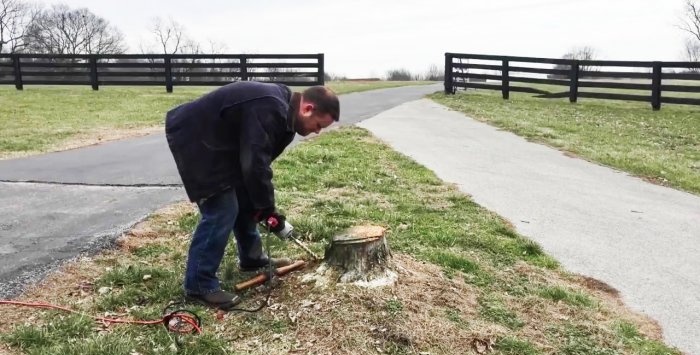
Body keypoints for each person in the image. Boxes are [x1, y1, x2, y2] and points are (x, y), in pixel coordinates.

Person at [165, 81, 340, 310]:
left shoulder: (286, 117)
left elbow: (257, 168)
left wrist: (262, 207)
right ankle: (199, 283)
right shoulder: (271, 108)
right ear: (307, 109)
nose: (316, 131)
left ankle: (251, 258)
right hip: (196, 136)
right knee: (222, 208)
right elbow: (255, 165)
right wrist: (269, 211)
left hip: (223, 142)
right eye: (318, 125)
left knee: (247, 198)